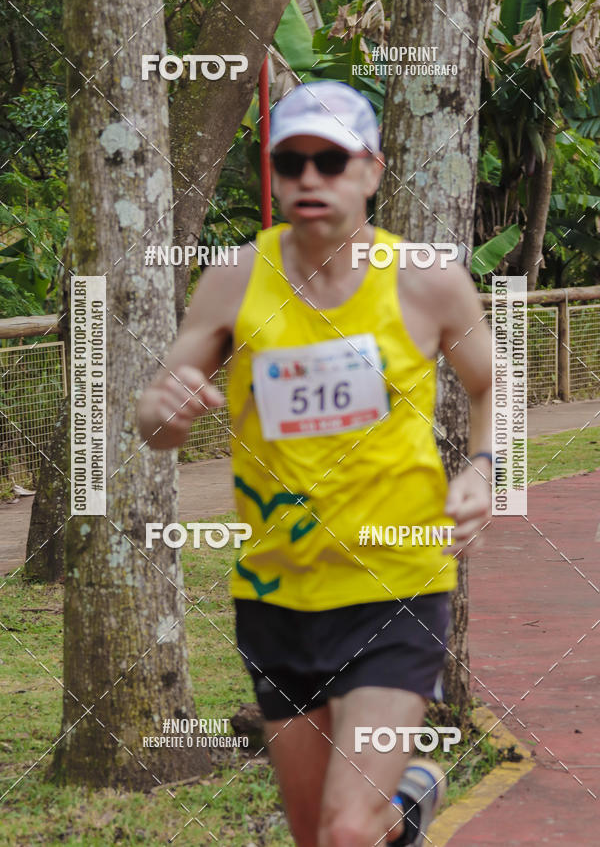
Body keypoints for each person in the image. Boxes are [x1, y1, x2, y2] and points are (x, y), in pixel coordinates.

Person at [137, 81, 493, 847]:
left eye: (330, 160)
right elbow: (154, 422)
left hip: (395, 588)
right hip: (277, 593)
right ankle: (400, 816)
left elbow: (496, 383)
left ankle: (385, 811)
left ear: (371, 170)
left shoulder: (425, 280)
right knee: (316, 835)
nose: (308, 178)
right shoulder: (235, 279)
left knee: (340, 832)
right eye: (290, 161)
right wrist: (166, 409)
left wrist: (487, 469)